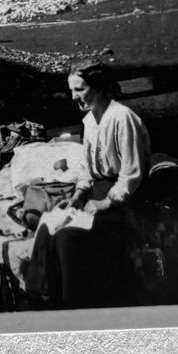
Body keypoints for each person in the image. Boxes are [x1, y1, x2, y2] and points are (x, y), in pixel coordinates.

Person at [26, 62, 152, 308]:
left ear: (99, 87)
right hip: (97, 193)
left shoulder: (121, 117)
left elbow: (132, 173)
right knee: (50, 224)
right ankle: (44, 298)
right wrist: (77, 197)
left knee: (68, 237)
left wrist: (106, 202)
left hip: (127, 200)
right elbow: (87, 170)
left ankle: (78, 306)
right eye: (72, 91)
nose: (74, 97)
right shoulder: (89, 122)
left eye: (80, 89)